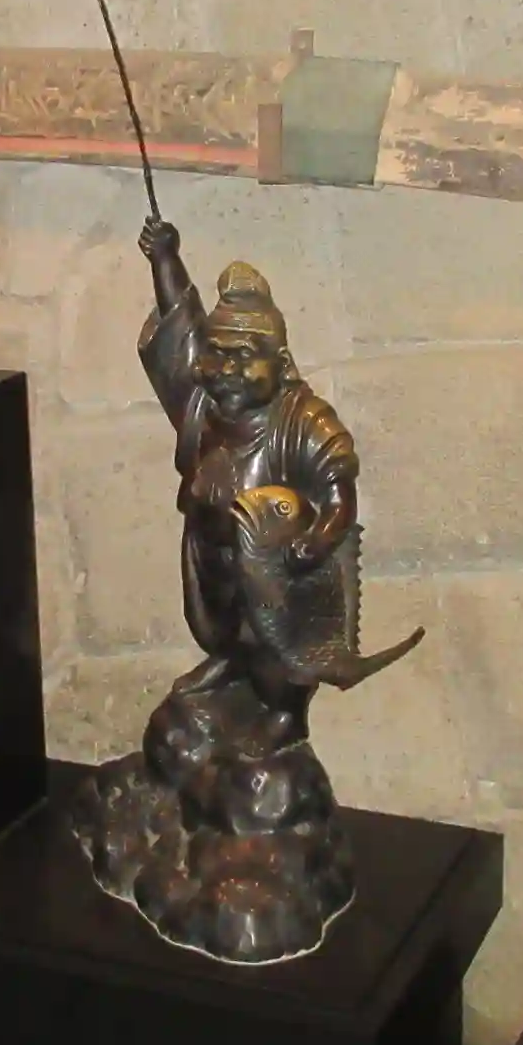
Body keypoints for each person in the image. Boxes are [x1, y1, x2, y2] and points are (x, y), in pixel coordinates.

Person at [136, 217, 358, 739]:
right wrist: (165, 259)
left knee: (272, 639)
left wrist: (318, 537)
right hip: (210, 553)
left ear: (280, 364)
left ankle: (286, 713)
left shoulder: (303, 420)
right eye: (217, 355)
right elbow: (180, 334)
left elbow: (338, 494)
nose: (225, 370)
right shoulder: (202, 406)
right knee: (223, 625)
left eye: (243, 359)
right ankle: (229, 665)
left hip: (275, 567)